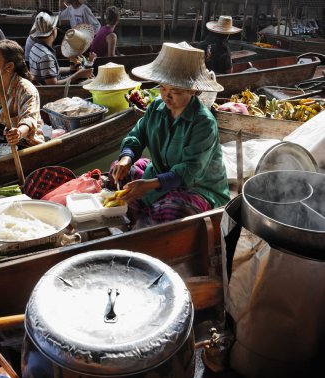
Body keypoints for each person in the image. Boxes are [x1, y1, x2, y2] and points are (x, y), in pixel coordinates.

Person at [110, 42, 230, 229]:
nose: (166, 96)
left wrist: (149, 185)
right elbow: (137, 135)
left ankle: (143, 218)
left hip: (197, 188)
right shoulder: (156, 107)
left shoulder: (203, 123)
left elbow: (189, 171)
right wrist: (126, 158)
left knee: (171, 210)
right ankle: (141, 214)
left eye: (175, 92)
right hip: (158, 176)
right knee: (117, 172)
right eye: (163, 88)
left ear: (192, 90)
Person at [0, 40, 45, 147]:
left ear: (9, 66)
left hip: (24, 144)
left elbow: (29, 119)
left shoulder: (26, 89)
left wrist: (18, 133)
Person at [28, 12, 93, 85]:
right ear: (53, 31)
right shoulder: (46, 56)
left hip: (48, 86)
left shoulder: (35, 47)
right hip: (53, 92)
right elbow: (53, 85)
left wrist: (71, 70)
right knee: (91, 82)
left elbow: (52, 71)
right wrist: (78, 75)